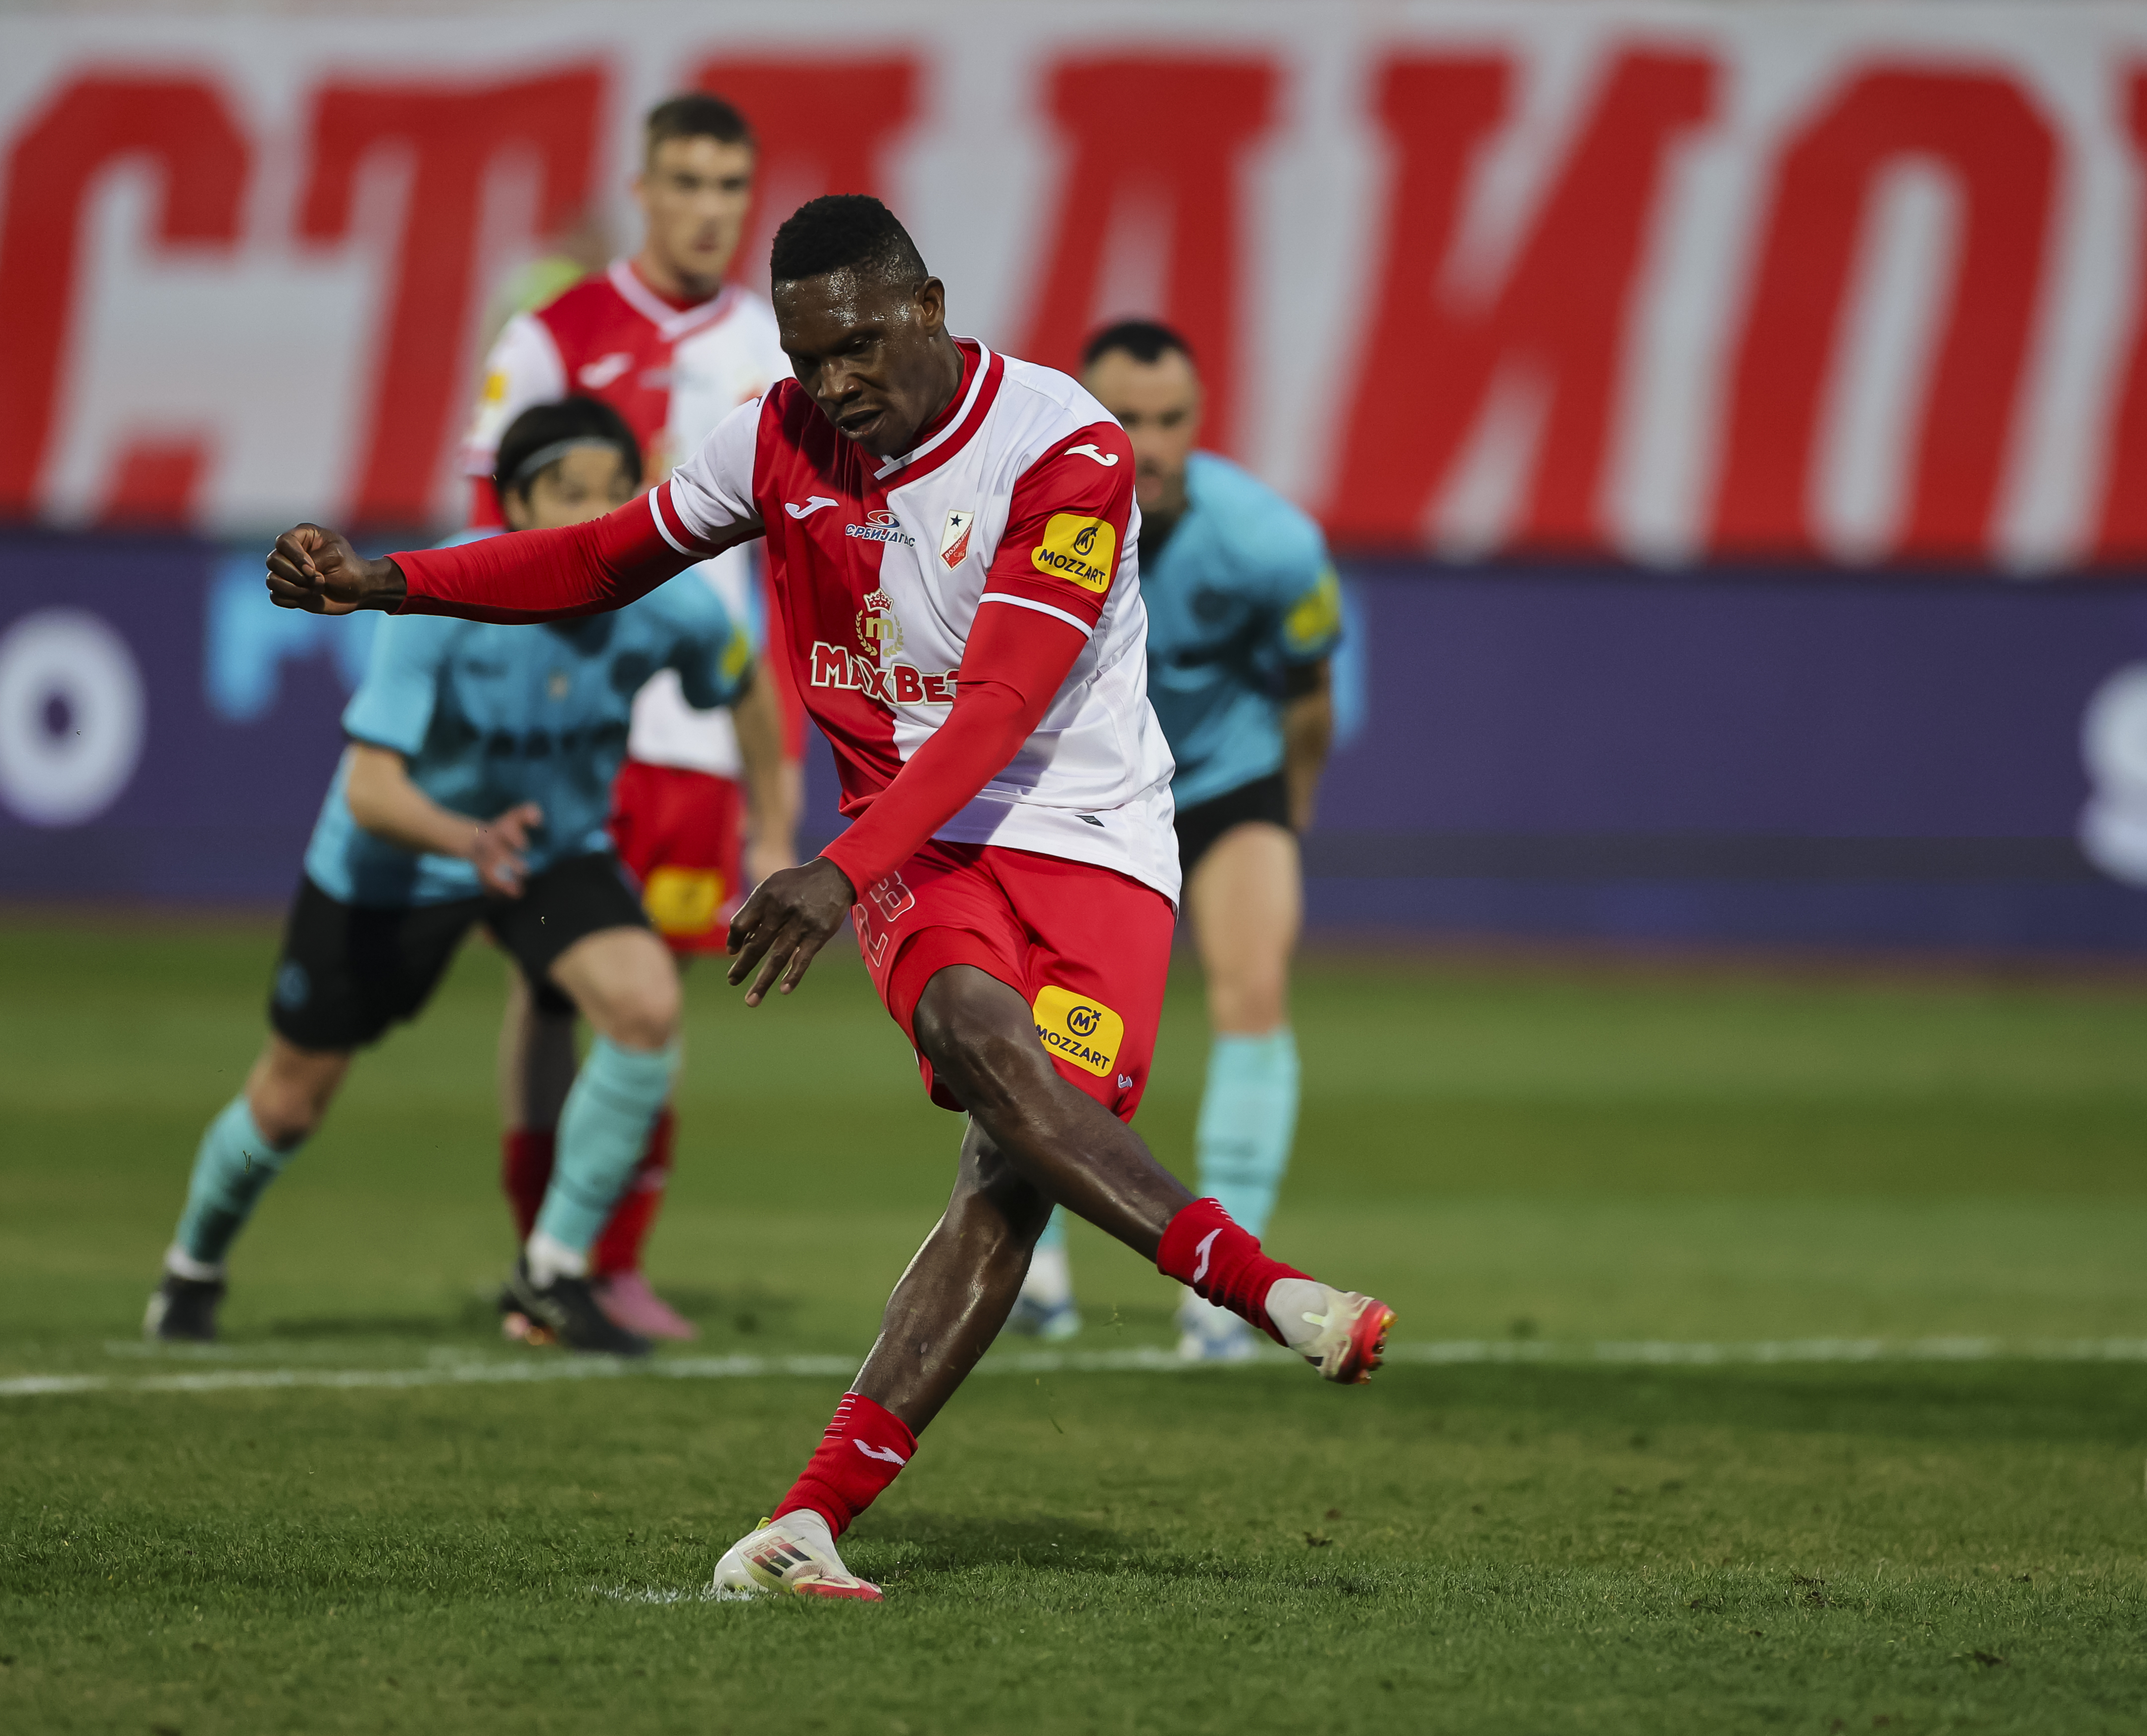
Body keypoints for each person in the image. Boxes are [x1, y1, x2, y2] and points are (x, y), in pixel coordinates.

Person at [264, 194, 1396, 1602]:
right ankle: (1262, 1288)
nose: (835, 383)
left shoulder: (1067, 450)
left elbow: (996, 711)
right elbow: (605, 555)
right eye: (808, 358)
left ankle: (808, 1519)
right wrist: (390, 581)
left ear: (928, 306)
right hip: (917, 847)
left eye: (859, 347)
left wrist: (827, 873)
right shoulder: (777, 438)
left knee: (1010, 1179)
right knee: (982, 1047)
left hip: (1093, 845)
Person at [147, 398, 783, 1357]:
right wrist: (466, 838)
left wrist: (770, 833)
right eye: (570, 493)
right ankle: (192, 1267)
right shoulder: (439, 601)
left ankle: (552, 1271)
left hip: (552, 851)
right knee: (288, 1101)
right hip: (399, 862)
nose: (597, 515)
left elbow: (745, 684)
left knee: (646, 1007)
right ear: (514, 506)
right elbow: (371, 790)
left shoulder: (671, 600)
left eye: (616, 493)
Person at [463, 92, 801, 1340]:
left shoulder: (776, 351)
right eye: (688, 183)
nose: (710, 210)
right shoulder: (553, 338)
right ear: (644, 190)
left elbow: (799, 552)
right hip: (568, 723)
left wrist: (779, 770)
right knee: (561, 989)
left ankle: (603, 1260)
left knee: (648, 992)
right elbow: (487, 521)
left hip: (698, 733)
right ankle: (551, 1254)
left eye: (730, 186)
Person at [1005, 319, 1345, 1358]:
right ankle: (1031, 1262)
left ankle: (1223, 1294)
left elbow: (1308, 694)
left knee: (1253, 994)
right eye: (1125, 419)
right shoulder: (1023, 517)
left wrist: (1289, 811)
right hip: (1090, 795)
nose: (1149, 445)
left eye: (1171, 419)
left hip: (1224, 782)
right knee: (1045, 1026)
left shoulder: (1272, 545)